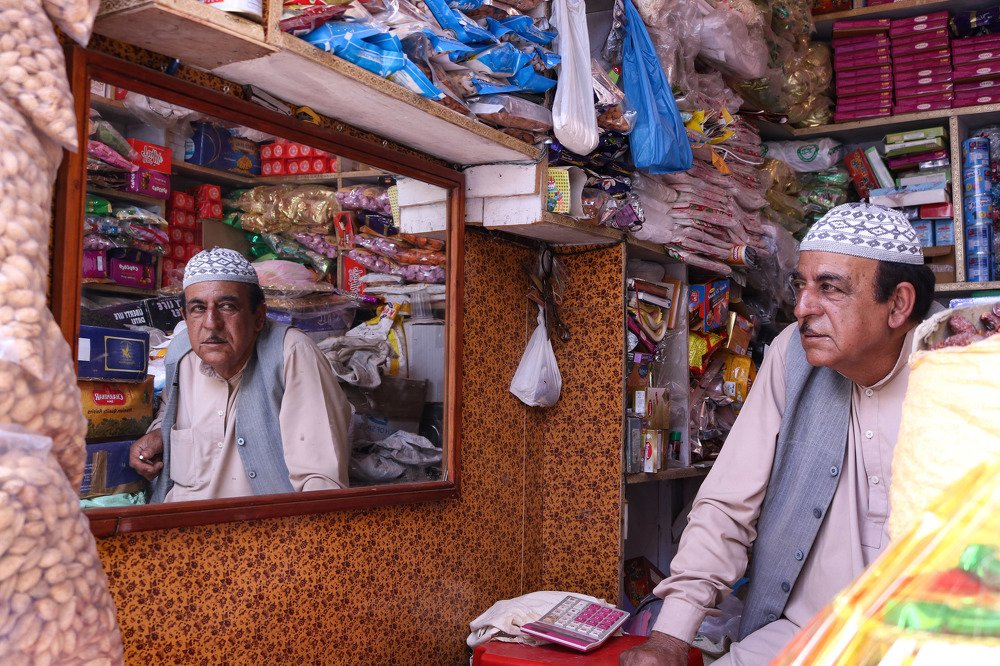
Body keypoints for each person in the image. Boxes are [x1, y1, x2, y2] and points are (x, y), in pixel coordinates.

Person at [621, 203, 937, 665]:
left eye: (829, 288)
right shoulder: (792, 353)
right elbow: (728, 503)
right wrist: (670, 637)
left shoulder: (961, 364)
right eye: (800, 286)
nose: (803, 308)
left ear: (899, 304)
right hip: (809, 633)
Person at [129, 248, 352, 502]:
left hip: (261, 534)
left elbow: (321, 483)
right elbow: (171, 409)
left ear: (258, 316)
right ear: (185, 317)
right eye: (198, 308)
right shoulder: (182, 355)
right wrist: (159, 433)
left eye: (227, 306)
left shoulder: (292, 354)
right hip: (182, 530)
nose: (211, 323)